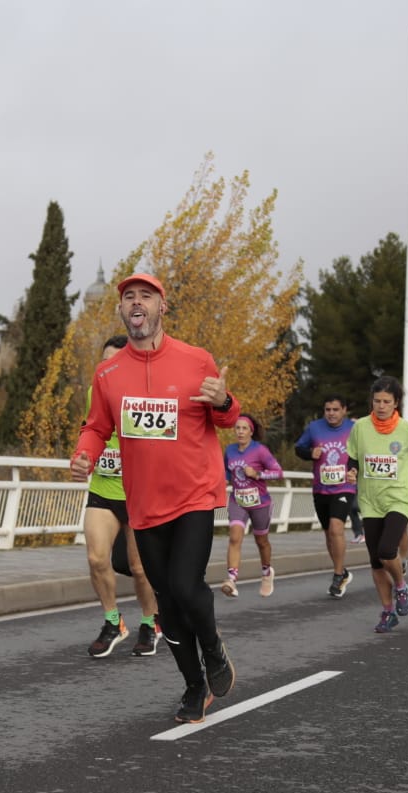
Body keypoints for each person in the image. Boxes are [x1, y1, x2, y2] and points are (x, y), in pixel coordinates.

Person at [70, 273, 238, 725]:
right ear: (122, 311)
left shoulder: (195, 359)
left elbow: (227, 418)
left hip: (194, 494)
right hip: (143, 502)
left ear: (162, 308)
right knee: (166, 601)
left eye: (146, 296)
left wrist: (224, 402)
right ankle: (193, 685)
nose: (136, 302)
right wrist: (84, 455)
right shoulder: (108, 373)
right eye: (129, 297)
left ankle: (215, 649)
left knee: (186, 586)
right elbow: (96, 427)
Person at [82, 335, 162, 658]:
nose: (107, 368)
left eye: (113, 362)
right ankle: (113, 622)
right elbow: (89, 432)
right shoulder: (93, 392)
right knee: (96, 558)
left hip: (138, 493)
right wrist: (83, 457)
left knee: (139, 568)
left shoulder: (144, 395)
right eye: (104, 362)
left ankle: (149, 622)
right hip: (103, 487)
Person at [345, 376, 408, 633]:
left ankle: (401, 586)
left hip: (399, 495)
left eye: (386, 401)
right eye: (377, 400)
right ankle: (388, 611)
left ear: (396, 403)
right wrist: (352, 470)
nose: (381, 406)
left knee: (387, 549)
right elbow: (353, 457)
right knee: (376, 561)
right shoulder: (360, 427)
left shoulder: (407, 429)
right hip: (371, 499)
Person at [295, 395, 358, 598]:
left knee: (336, 527)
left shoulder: (354, 429)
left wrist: (354, 470)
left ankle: (338, 575)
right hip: (320, 488)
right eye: (328, 410)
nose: (331, 413)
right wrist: (310, 453)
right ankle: (343, 571)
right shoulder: (314, 427)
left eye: (335, 409)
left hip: (344, 487)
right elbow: (299, 448)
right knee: (328, 534)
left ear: (344, 410)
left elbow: (361, 453)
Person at [222, 414, 283, 598]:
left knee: (261, 541)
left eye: (244, 428)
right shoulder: (230, 450)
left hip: (260, 502)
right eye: (237, 428)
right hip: (237, 500)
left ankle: (266, 572)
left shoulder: (260, 451)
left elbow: (278, 473)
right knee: (234, 537)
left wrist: (257, 474)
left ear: (251, 431)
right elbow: (226, 473)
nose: (240, 432)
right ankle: (231, 579)